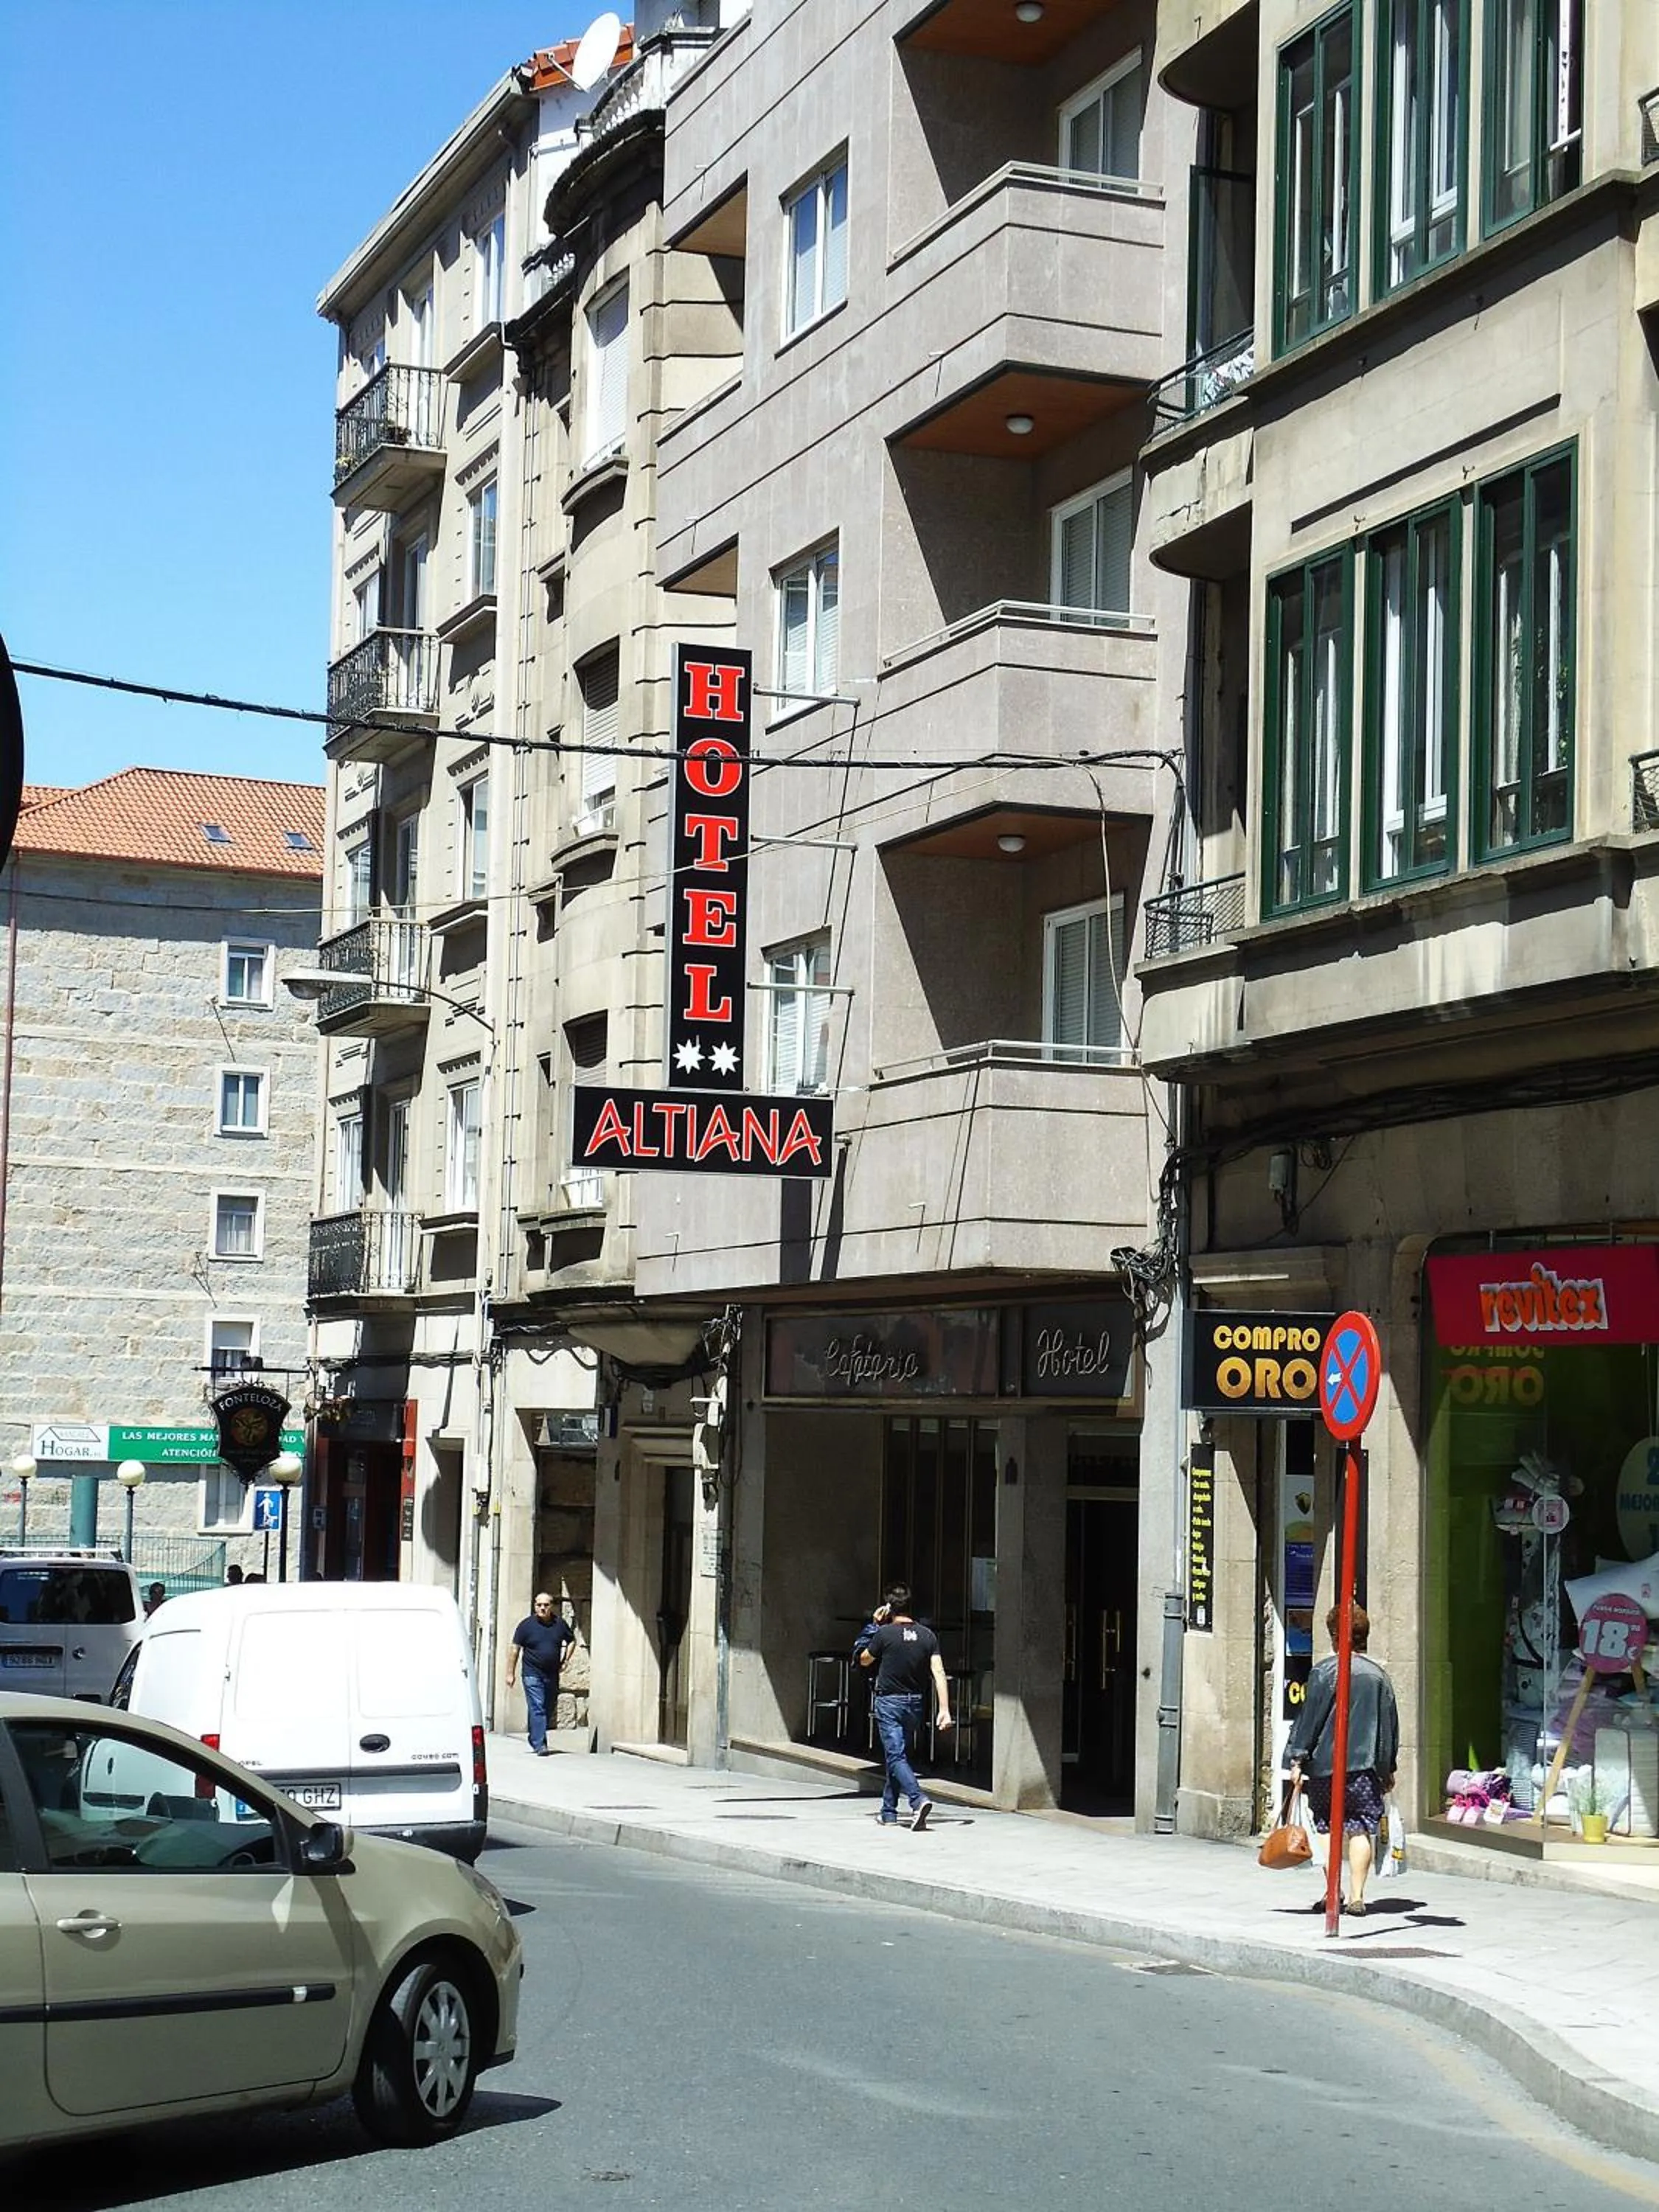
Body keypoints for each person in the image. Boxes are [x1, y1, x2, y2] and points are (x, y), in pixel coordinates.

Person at [1285, 1601, 1399, 1918]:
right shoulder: (1379, 1677)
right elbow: (1389, 1726)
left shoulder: (1325, 1672)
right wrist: (1387, 1767)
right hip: (1365, 1769)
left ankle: (1333, 1889)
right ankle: (1358, 1896)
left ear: (1336, 1636)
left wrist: (1297, 1758)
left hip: (1326, 1766)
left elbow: (1310, 1720)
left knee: (1326, 1824)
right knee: (1361, 1827)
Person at [855, 1584, 951, 1831]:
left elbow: (863, 1659)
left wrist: (873, 1625)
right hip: (915, 1703)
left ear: (889, 1608)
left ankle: (918, 1800)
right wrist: (945, 1709)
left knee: (896, 1756)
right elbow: (938, 1673)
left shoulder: (884, 1634)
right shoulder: (928, 1636)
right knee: (897, 1757)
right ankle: (888, 1812)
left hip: (889, 1702)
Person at [507, 1591, 575, 1756]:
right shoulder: (526, 1626)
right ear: (534, 1606)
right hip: (532, 1673)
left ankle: (534, 1735)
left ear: (552, 1606)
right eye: (539, 1605)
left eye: (546, 1605)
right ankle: (540, 1745)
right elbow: (514, 1649)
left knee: (546, 1707)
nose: (542, 1608)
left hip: (552, 1674)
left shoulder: (560, 1624)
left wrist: (566, 1660)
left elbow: (571, 1640)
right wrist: (510, 1673)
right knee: (538, 1707)